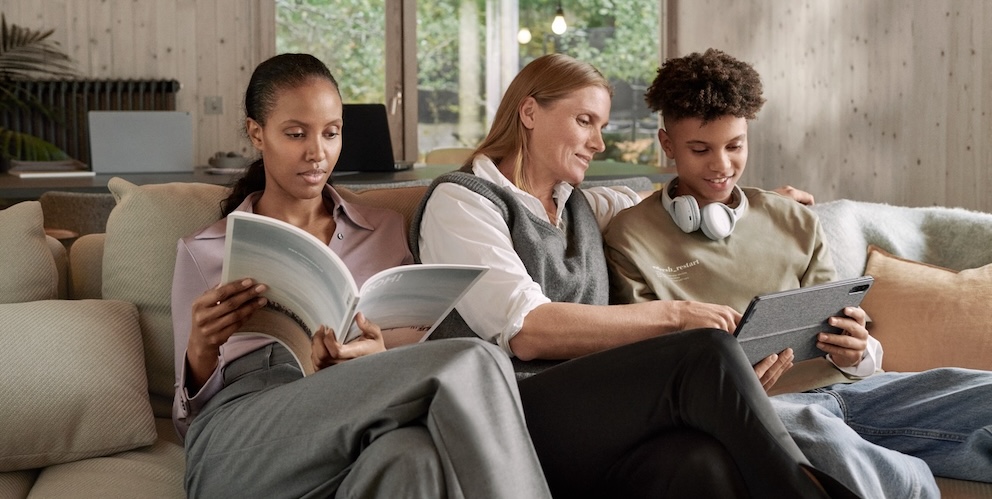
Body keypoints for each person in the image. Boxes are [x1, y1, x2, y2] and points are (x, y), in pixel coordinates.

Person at [410, 53, 858, 498]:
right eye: (585, 121)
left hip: (592, 417)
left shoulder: (581, 205)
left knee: (702, 463)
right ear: (529, 112)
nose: (598, 143)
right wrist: (677, 316)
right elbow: (526, 328)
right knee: (705, 352)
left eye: (601, 126)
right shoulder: (461, 202)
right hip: (505, 415)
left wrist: (763, 204)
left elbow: (665, 201)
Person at [603, 48, 992, 499]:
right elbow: (654, 363)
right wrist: (733, 383)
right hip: (768, 409)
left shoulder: (794, 219)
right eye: (700, 149)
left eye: (735, 146)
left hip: (854, 389)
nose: (721, 167)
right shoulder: (631, 236)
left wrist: (859, 350)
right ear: (667, 144)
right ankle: (911, 480)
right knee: (840, 451)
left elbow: (844, 320)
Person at [170, 53, 553, 499]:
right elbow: (186, 419)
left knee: (412, 459)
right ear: (257, 132)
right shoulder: (202, 249)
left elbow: (415, 339)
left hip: (355, 403)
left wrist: (377, 353)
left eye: (331, 133)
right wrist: (201, 349)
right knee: (476, 359)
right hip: (240, 439)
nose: (318, 153)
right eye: (296, 134)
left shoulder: (384, 229)